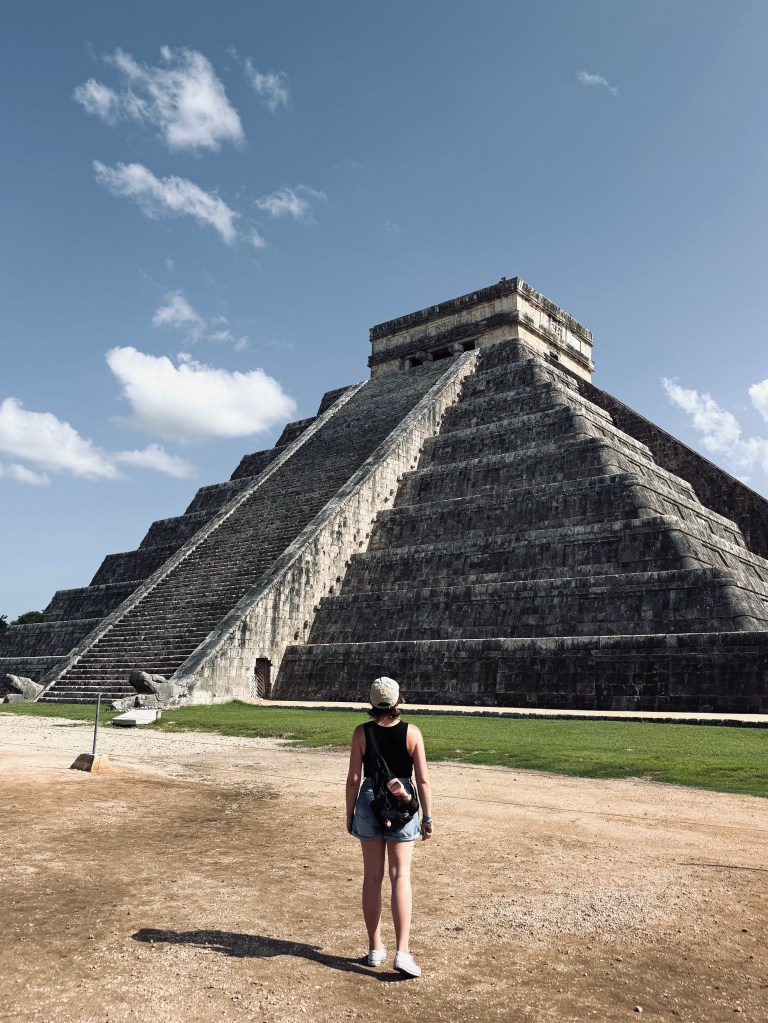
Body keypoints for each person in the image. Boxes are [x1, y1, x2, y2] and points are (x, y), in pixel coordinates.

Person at [345, 676, 433, 978]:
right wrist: (427, 816)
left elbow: (354, 779)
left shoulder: (361, 733)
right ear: (398, 702)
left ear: (372, 703)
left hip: (369, 799)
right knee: (400, 876)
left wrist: (350, 813)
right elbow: (422, 779)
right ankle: (403, 952)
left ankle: (374, 947)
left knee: (372, 877)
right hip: (402, 799)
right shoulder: (412, 733)